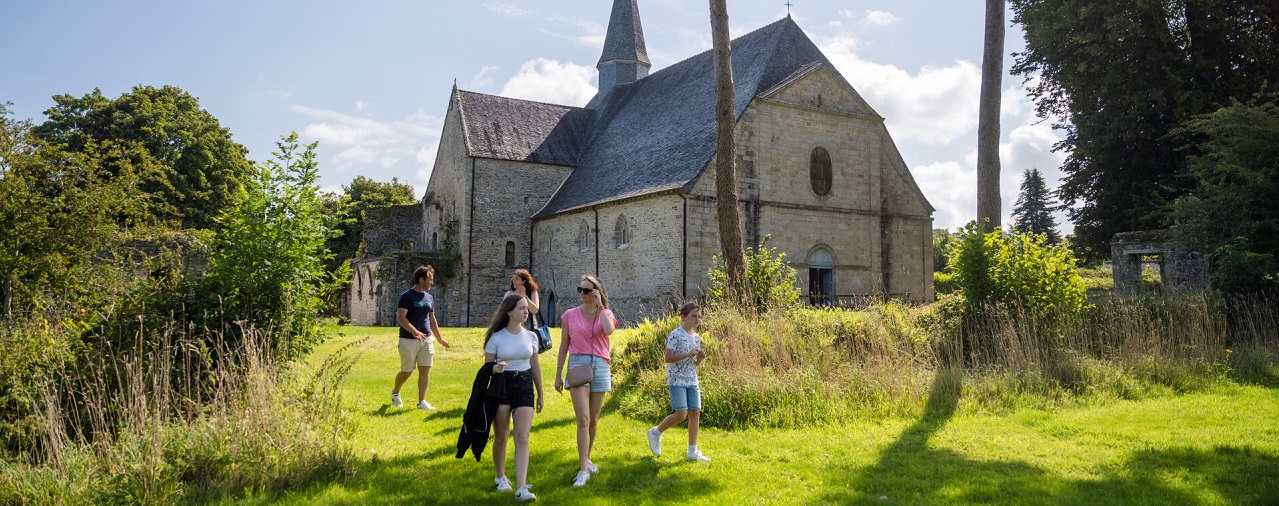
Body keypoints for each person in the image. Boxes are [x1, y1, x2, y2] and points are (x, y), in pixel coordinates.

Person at [553, 275, 617, 487]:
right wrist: (558, 374)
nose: (582, 293)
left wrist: (600, 308)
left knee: (594, 419)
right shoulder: (569, 315)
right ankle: (583, 471)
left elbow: (609, 331)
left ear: (596, 293)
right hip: (578, 365)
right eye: (580, 289)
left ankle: (586, 459)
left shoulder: (606, 313)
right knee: (582, 418)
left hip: (600, 365)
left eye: (587, 290)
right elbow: (563, 346)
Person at [483, 293, 544, 502]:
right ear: (509, 312)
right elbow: (486, 370)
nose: (526, 311)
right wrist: (495, 369)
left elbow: (535, 366)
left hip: (525, 385)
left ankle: (521, 488)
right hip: (502, 385)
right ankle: (500, 477)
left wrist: (541, 394)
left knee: (522, 437)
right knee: (501, 436)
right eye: (521, 308)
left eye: (526, 308)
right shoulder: (496, 337)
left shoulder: (532, 337)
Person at [646, 302, 710, 462]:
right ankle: (655, 433)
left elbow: (694, 363)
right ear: (683, 317)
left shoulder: (697, 337)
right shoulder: (675, 334)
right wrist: (688, 353)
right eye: (693, 316)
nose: (697, 319)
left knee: (695, 413)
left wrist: (699, 359)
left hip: (692, 380)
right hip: (677, 380)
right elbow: (668, 358)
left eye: (699, 316)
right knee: (681, 414)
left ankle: (692, 452)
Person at [392, 265, 452, 410]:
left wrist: (439, 337)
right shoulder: (407, 296)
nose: (432, 282)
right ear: (421, 279)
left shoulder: (429, 297)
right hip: (408, 340)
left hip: (427, 340)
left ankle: (421, 402)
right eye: (430, 279)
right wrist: (414, 331)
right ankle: (395, 392)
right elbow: (401, 317)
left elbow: (432, 319)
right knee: (407, 371)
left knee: (425, 370)